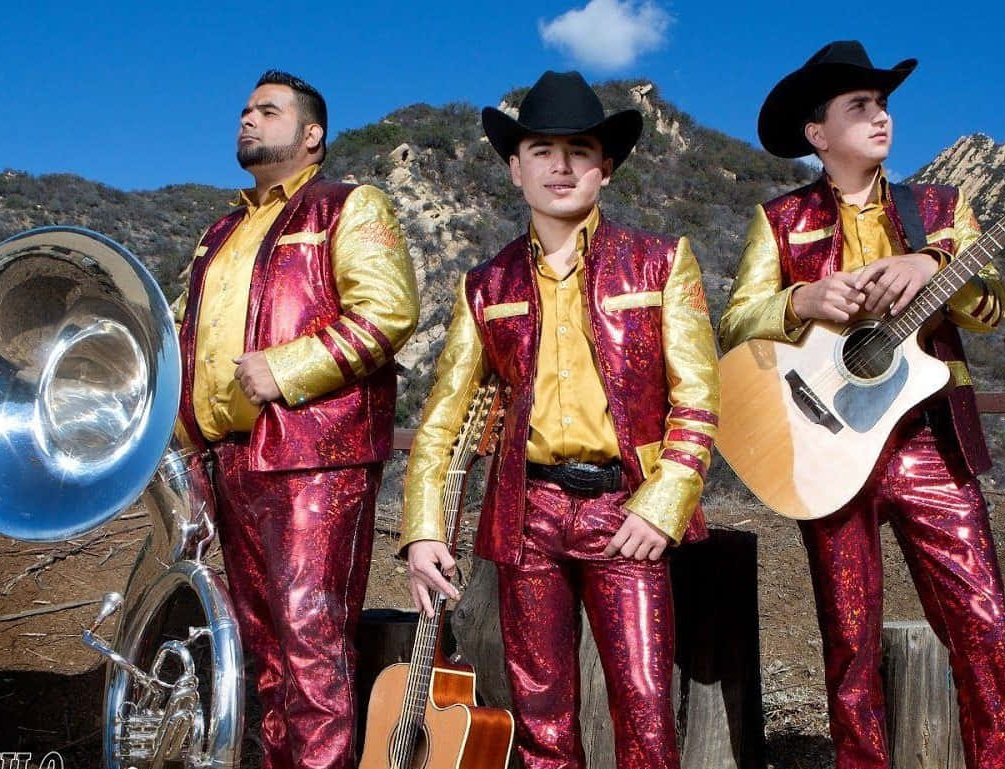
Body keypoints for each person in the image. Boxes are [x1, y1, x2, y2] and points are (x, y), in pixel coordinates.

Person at [719, 42, 1005, 769]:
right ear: (817, 134)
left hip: (929, 441)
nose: (881, 117)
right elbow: (735, 322)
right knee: (849, 637)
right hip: (825, 445)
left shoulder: (940, 210)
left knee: (982, 622)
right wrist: (802, 298)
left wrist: (934, 265)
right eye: (859, 106)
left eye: (884, 103)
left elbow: (991, 308)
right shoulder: (778, 221)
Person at [399, 70, 719, 769]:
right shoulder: (484, 286)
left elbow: (697, 397)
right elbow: (442, 420)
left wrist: (664, 502)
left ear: (605, 167)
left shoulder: (663, 263)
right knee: (540, 714)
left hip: (626, 509)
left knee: (643, 705)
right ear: (516, 169)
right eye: (543, 149)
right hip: (529, 514)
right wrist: (423, 527)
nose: (562, 164)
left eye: (579, 148)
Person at [172, 70, 418, 769]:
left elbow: (389, 313)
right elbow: (189, 340)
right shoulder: (218, 232)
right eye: (245, 107)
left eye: (268, 110)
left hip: (315, 457)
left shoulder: (347, 205)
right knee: (262, 653)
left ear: (312, 135)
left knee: (312, 646)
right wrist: (185, 442)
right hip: (229, 461)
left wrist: (286, 367)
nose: (248, 118)